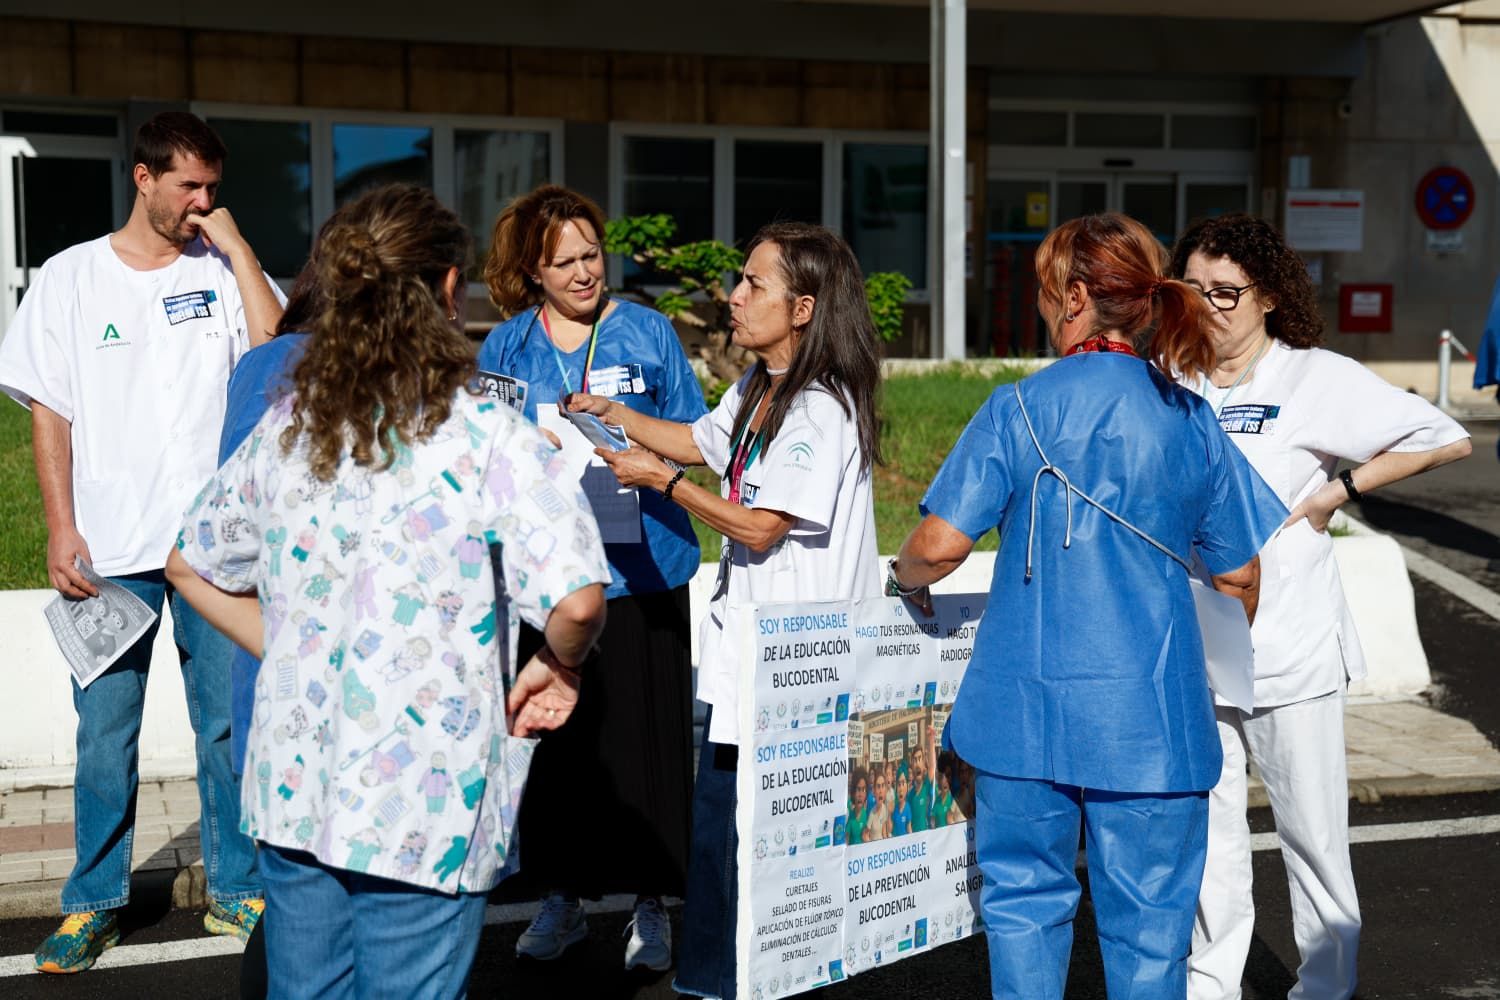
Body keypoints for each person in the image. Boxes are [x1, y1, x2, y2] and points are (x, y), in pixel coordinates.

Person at [164, 183, 610, 999]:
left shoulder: (291, 427)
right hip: (426, 801)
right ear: (446, 289)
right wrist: (560, 664)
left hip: (295, 787)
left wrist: (289, 641)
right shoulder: (487, 436)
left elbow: (190, 564)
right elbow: (577, 601)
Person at [889, 212, 1287, 1000]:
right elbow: (1240, 576)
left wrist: (904, 580)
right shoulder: (1190, 418)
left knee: (1025, 912)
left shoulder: (1016, 407)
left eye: (1045, 293)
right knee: (1149, 942)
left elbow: (936, 546)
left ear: (1075, 299)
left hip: (1022, 723)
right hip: (1155, 730)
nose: (1043, 309)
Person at [565, 221, 883, 999]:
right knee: (723, 842)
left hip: (800, 675)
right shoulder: (759, 388)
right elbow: (696, 441)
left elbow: (761, 525)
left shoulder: (818, 409)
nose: (733, 297)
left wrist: (659, 482)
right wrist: (615, 415)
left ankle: (740, 983)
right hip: (749, 662)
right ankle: (714, 983)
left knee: (770, 855)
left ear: (803, 309)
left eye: (752, 285)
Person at [0, 111, 285, 974]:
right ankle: (91, 904)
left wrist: (237, 250)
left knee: (227, 726)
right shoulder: (71, 278)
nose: (203, 203)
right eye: (189, 187)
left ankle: (238, 888)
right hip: (112, 549)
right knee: (103, 735)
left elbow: (277, 345)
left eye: (213, 189)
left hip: (214, 549)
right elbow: (51, 409)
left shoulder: (224, 268)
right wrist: (60, 525)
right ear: (143, 177)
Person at [1170, 213, 1471, 1000]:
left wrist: (1338, 490)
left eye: (1228, 291)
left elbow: (1443, 435)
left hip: (1290, 646)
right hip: (1198, 647)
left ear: (1267, 294)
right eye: (1195, 289)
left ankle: (1327, 986)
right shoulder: (1176, 378)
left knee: (1311, 837)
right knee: (1211, 836)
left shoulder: (1312, 376)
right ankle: (1212, 983)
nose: (1212, 306)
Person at [476, 184, 706, 971]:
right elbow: (483, 450)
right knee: (558, 750)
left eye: (591, 254)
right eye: (563, 261)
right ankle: (561, 899)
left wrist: (645, 452)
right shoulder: (504, 349)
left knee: (646, 746)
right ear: (531, 271)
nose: (583, 273)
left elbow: (698, 437)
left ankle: (652, 904)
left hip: (646, 573)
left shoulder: (648, 333)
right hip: (549, 579)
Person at [845, 769, 871, 846]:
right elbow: (846, 842)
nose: (860, 794)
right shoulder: (849, 817)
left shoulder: (868, 815)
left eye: (863, 790)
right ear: (853, 793)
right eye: (858, 789)